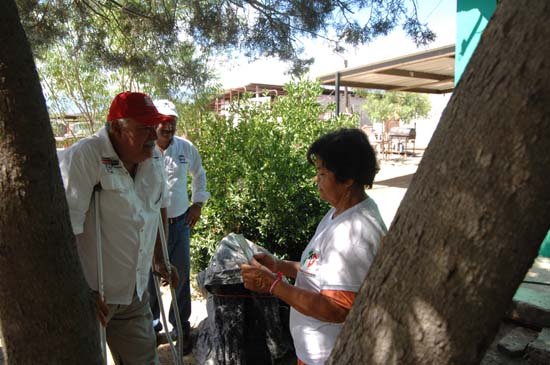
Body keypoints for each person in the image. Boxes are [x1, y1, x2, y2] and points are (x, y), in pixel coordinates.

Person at [240, 128, 387, 365]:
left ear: (348, 179)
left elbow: (336, 308)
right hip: (314, 354)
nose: (316, 180)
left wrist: (273, 284)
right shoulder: (338, 213)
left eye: (322, 173)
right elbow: (319, 271)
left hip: (331, 355)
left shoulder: (353, 232)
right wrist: (279, 266)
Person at [58, 91, 178, 364]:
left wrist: (160, 259)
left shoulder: (153, 158)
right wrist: (76, 290)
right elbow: (65, 229)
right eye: (143, 129)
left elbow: (159, 205)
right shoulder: (86, 156)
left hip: (134, 292)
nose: (152, 135)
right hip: (94, 297)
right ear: (116, 127)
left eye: (153, 127)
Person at [148, 99, 210, 352]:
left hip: (179, 223)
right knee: (151, 276)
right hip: (152, 226)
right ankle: (151, 329)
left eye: (172, 121)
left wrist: (198, 204)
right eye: (163, 120)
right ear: (154, 122)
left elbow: (200, 174)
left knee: (180, 275)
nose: (168, 125)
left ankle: (181, 328)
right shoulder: (145, 149)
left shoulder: (185, 148)